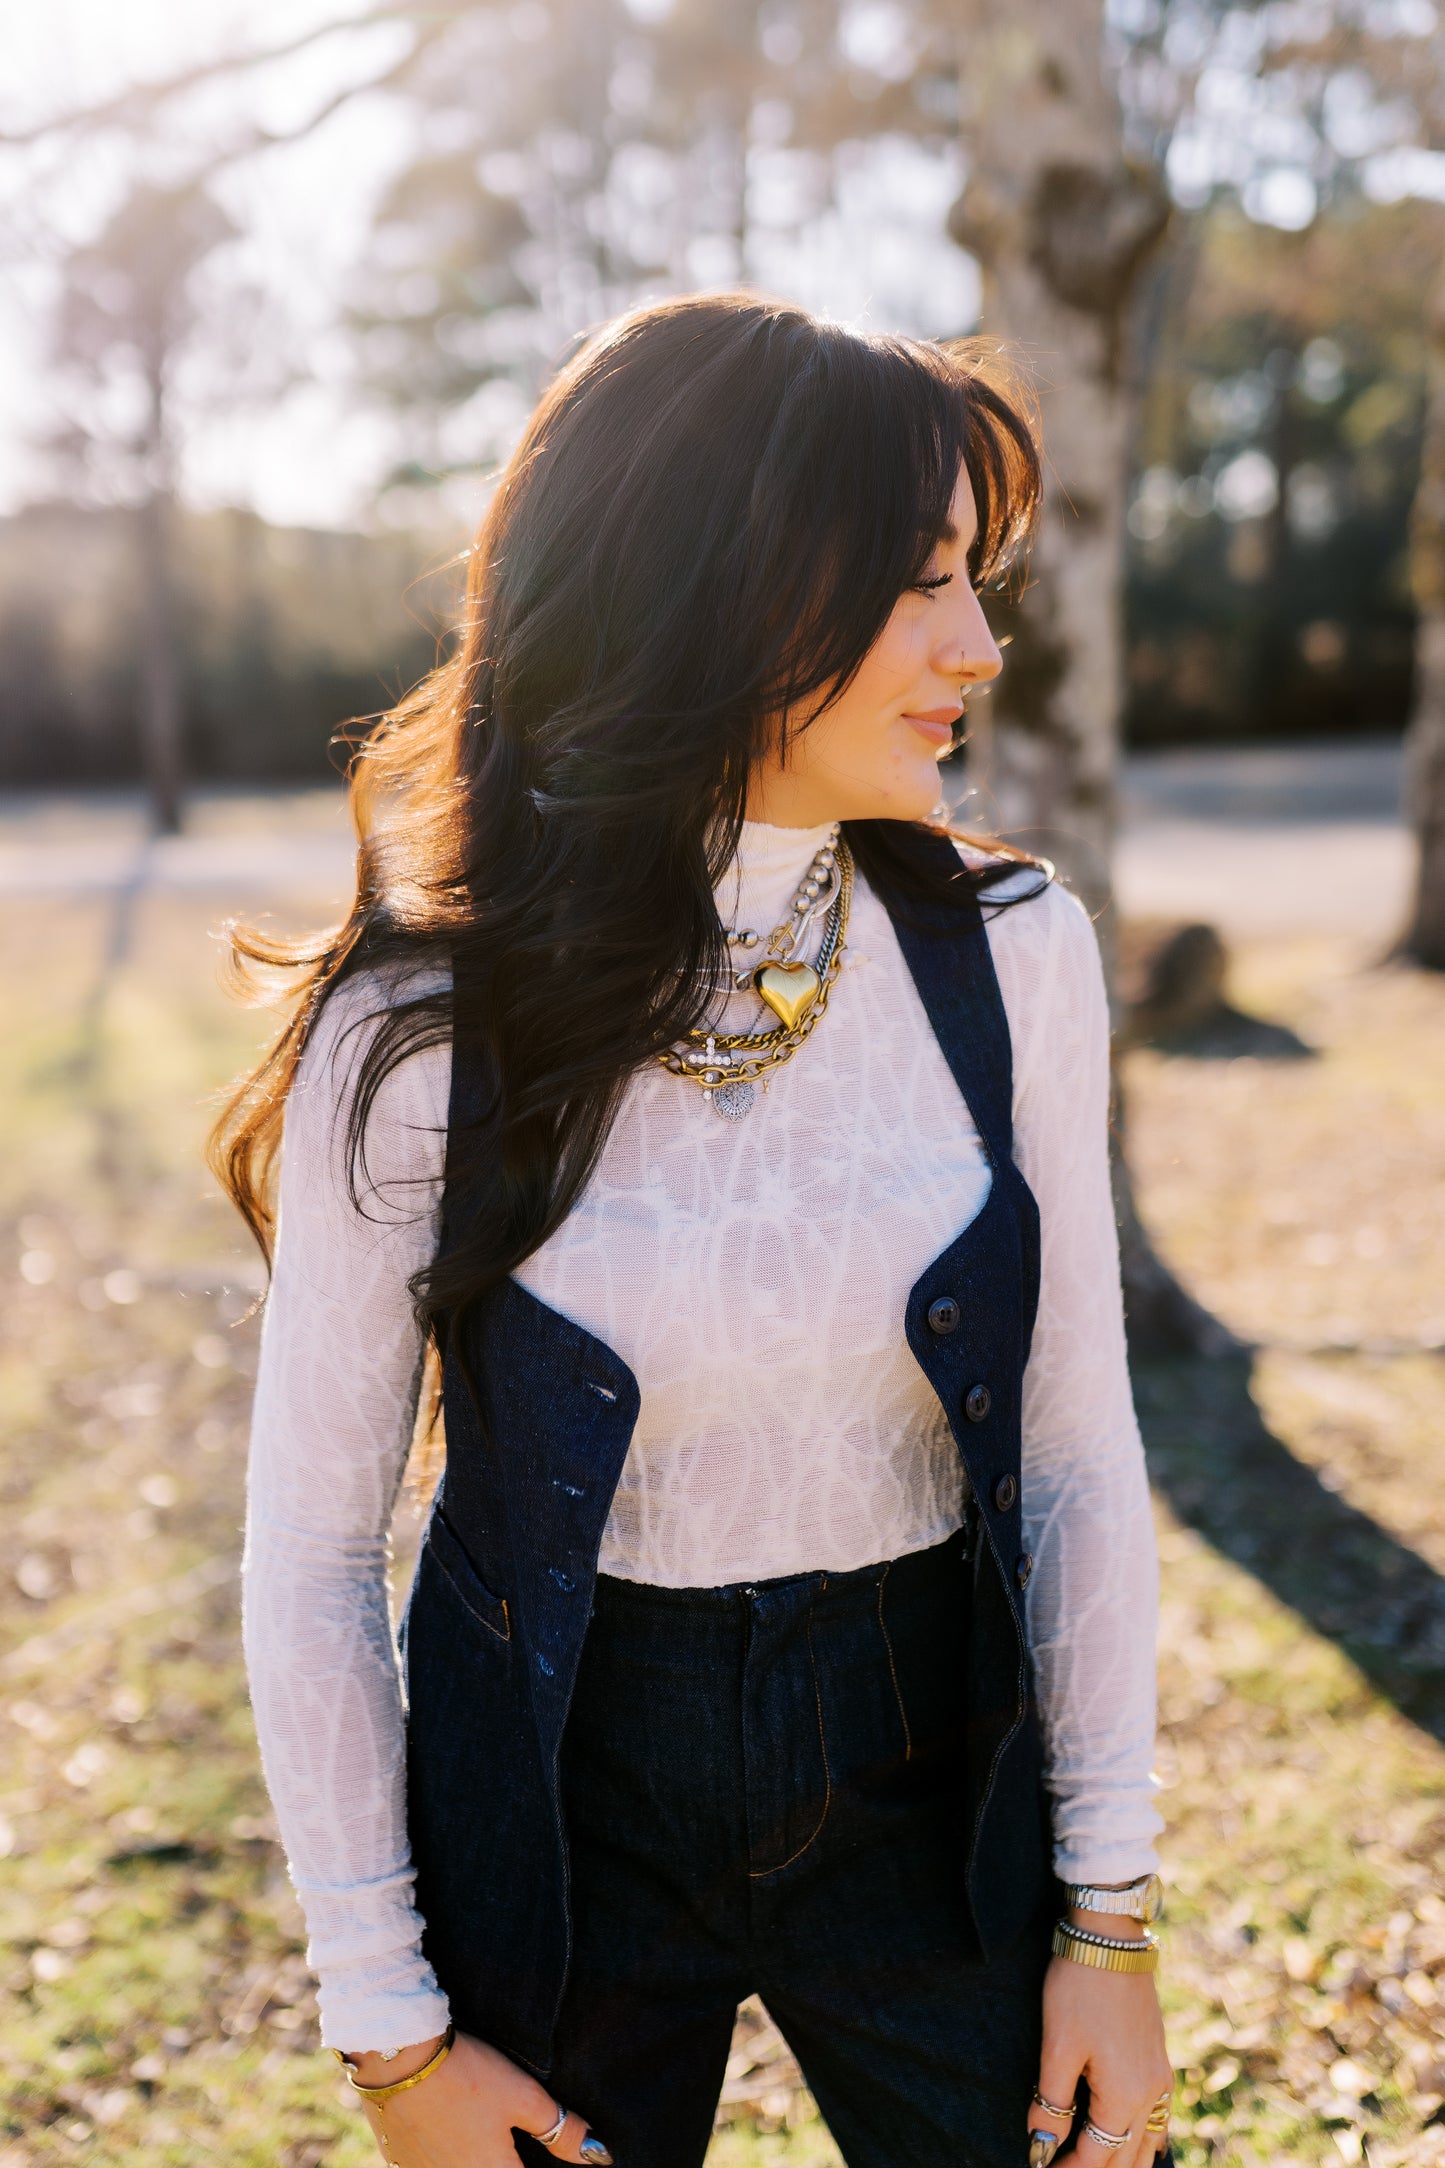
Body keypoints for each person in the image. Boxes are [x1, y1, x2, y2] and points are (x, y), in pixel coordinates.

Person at [214, 293, 1175, 2168]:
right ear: (719, 590)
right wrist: (392, 2033)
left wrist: (1109, 1921)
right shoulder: (415, 1031)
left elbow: (1071, 1456)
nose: (977, 645)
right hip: (553, 1812)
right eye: (918, 582)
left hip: (930, 1780)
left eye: (974, 580)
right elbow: (314, 1552)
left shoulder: (1017, 956)